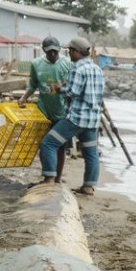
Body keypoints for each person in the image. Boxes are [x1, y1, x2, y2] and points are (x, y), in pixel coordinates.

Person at [36, 36, 104, 196]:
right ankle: (88, 186)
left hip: (77, 118)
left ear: (76, 52)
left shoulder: (77, 68)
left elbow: (73, 91)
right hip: (93, 118)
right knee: (91, 152)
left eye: (70, 51)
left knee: (48, 143)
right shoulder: (97, 69)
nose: (69, 54)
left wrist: (59, 88)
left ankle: (49, 179)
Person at [18, 36, 73, 183]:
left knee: (60, 147)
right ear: (44, 51)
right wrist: (24, 98)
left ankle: (57, 178)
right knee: (44, 145)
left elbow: (73, 87)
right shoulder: (36, 64)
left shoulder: (67, 63)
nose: (53, 55)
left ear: (59, 50)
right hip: (43, 112)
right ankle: (48, 175)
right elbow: (33, 85)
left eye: (55, 52)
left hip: (62, 113)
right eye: (50, 52)